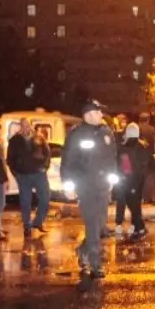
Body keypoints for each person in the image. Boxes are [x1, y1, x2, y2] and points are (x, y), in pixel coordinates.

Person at [60, 100, 117, 280]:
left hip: (103, 187)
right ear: (89, 114)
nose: (101, 115)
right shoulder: (76, 134)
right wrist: (69, 186)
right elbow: (67, 162)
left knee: (100, 226)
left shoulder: (106, 132)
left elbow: (111, 159)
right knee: (92, 225)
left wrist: (112, 179)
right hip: (85, 187)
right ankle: (95, 263)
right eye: (98, 112)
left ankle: (83, 250)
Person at [6, 117, 51, 239]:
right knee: (25, 202)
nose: (25, 128)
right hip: (23, 175)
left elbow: (47, 153)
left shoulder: (39, 138)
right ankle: (27, 225)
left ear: (30, 126)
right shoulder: (15, 141)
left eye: (27, 125)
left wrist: (45, 167)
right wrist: (16, 174)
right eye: (23, 125)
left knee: (45, 200)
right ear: (20, 126)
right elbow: (10, 159)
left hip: (39, 174)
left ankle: (37, 222)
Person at [115, 122, 150, 239]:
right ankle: (137, 226)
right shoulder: (142, 146)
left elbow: (124, 165)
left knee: (127, 203)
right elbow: (147, 163)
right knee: (136, 204)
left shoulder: (124, 147)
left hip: (126, 180)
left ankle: (135, 226)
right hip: (138, 180)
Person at [137, 112, 155, 204]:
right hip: (149, 156)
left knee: (139, 177)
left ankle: (138, 196)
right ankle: (146, 197)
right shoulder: (152, 129)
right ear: (148, 119)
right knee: (149, 177)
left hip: (138, 156)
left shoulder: (136, 128)